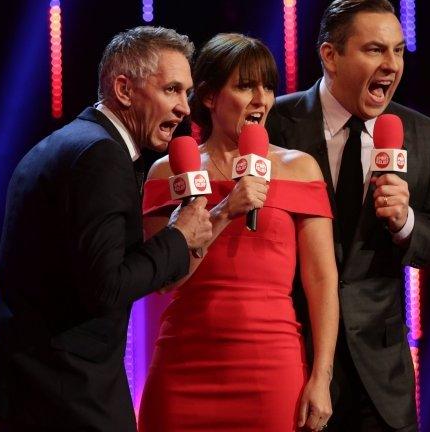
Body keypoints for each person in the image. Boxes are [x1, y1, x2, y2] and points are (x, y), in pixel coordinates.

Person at [0, 26, 213, 431]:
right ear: (123, 89)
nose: (184, 108)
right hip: (61, 394)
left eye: (186, 93)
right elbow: (106, 287)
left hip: (32, 386)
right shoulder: (100, 155)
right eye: (171, 89)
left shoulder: (69, 143)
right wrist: (179, 236)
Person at [266, 1, 430, 431]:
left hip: (380, 381)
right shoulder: (275, 123)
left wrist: (406, 221)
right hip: (290, 364)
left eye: (398, 51)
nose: (391, 65)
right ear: (330, 56)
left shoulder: (425, 137)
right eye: (375, 50)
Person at [137, 33, 339, 432]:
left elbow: (322, 279)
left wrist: (322, 377)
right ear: (210, 97)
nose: (261, 99)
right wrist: (225, 211)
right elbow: (165, 279)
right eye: (245, 86)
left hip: (271, 368)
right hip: (184, 366)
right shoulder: (170, 170)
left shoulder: (300, 168)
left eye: (267, 86)